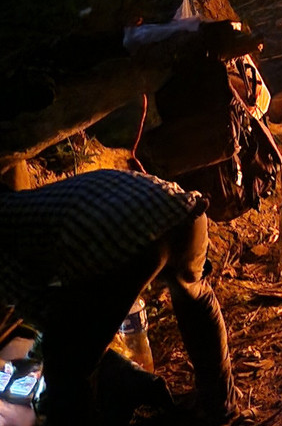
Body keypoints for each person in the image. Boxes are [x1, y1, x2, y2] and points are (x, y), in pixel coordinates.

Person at [0, 168, 238, 425]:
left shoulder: (7, 235)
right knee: (195, 296)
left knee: (66, 360)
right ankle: (220, 404)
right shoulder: (28, 206)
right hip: (182, 209)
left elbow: (48, 315)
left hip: (127, 234)